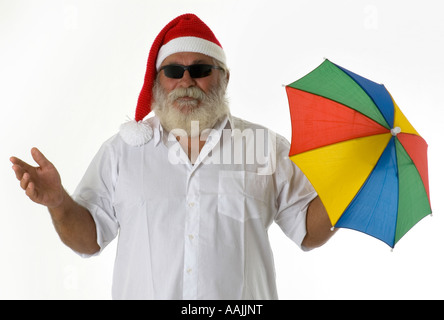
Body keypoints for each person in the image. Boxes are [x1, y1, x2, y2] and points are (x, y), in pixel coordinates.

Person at [10, 13, 336, 299]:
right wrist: (59, 203)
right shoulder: (122, 152)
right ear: (157, 81)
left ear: (224, 77)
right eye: (174, 71)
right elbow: (89, 239)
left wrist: (357, 181)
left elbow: (308, 229)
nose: (186, 81)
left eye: (201, 69)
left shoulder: (264, 147)